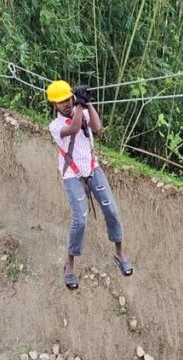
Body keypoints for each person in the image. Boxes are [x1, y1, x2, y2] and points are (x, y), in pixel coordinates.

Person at [46, 81, 132, 290]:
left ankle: (119, 252)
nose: (66, 104)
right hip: (72, 174)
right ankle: (69, 264)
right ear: (54, 105)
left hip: (92, 168)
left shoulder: (81, 111)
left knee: (111, 210)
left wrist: (88, 102)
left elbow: (97, 127)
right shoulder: (55, 126)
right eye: (61, 102)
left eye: (68, 99)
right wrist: (79, 104)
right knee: (80, 219)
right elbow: (74, 128)